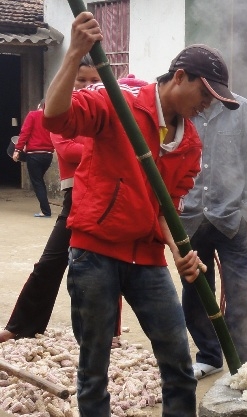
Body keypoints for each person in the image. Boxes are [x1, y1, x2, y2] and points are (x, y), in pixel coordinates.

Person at [42, 12, 236, 416]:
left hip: (146, 259)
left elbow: (167, 210)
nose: (205, 106)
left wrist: (180, 251)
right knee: (94, 366)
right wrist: (75, 50)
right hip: (94, 253)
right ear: (180, 77)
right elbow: (55, 117)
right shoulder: (119, 101)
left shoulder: (190, 145)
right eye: (205, 94)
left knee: (179, 363)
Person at [0, 58, 137, 348]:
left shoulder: (111, 109)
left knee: (109, 262)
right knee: (51, 261)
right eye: (81, 81)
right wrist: (104, 145)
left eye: (94, 81)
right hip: (76, 196)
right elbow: (69, 150)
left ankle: (109, 332)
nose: (88, 87)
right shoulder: (61, 113)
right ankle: (20, 326)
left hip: (107, 196)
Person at [180, 68, 247, 378]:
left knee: (240, 291)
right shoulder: (183, 111)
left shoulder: (243, 110)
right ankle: (209, 354)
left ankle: (243, 364)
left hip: (231, 217)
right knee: (195, 292)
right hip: (190, 217)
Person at [13, 100, 54, 217]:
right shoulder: (51, 118)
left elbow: (24, 133)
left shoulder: (33, 115)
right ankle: (45, 207)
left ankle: (46, 211)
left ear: (39, 106)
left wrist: (17, 150)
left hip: (34, 155)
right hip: (48, 155)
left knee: (37, 182)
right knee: (39, 181)